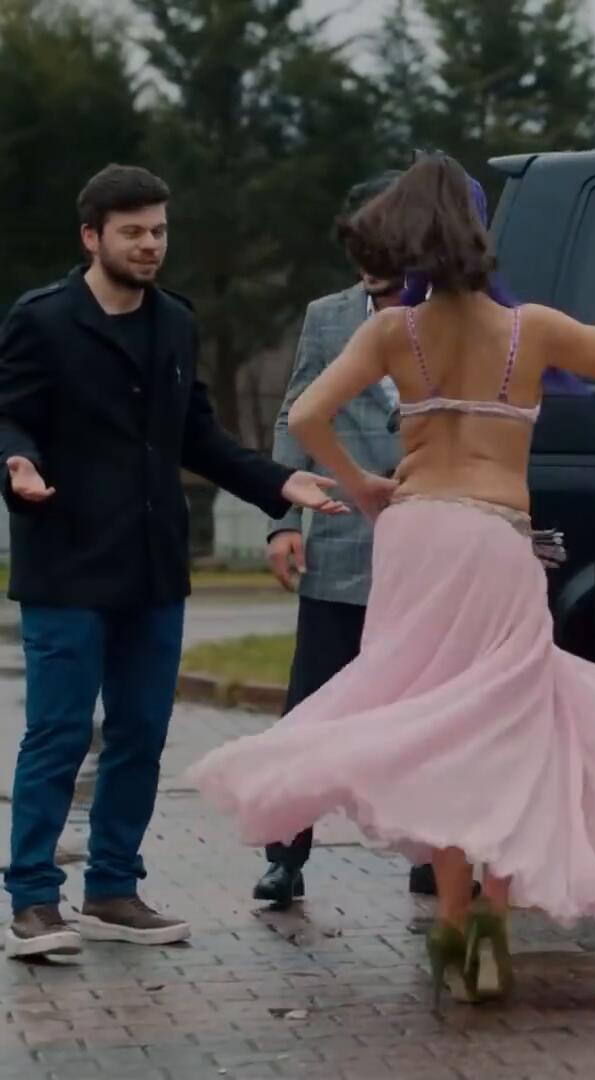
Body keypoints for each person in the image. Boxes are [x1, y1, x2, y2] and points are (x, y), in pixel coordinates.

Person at [184, 154, 595, 1008]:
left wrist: (360, 485)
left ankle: (449, 924)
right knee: (504, 726)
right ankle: (491, 923)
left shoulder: (392, 333)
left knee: (435, 723)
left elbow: (305, 414)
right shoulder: (531, 329)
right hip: (491, 534)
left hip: (414, 534)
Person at [0, 164, 344, 961]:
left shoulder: (176, 324)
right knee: (58, 733)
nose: (150, 244)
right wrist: (15, 463)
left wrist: (278, 483)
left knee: (141, 734)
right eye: (133, 232)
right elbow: (7, 416)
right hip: (66, 567)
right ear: (92, 237)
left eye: (158, 230)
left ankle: (113, 890)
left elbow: (200, 438)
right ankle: (32, 901)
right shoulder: (42, 321)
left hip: (154, 571)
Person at [254, 171, 415, 910]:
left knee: (429, 709)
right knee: (310, 708)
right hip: (343, 541)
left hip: (428, 550)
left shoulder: (455, 315)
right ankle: (285, 853)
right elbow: (293, 415)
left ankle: (433, 854)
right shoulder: (328, 317)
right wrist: (284, 521)